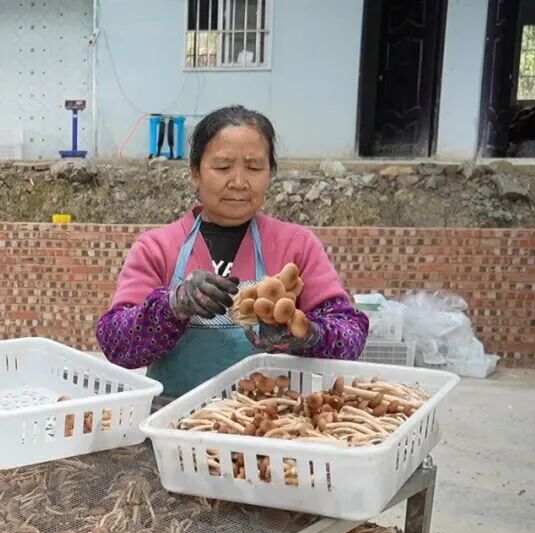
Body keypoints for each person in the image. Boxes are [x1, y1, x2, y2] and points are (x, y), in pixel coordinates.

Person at [96, 105, 368, 397]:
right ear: (195, 173)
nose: (239, 183)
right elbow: (116, 344)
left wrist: (307, 334)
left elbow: (349, 337)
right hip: (173, 418)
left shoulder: (297, 245)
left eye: (254, 168)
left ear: (270, 174)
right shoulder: (157, 248)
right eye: (223, 167)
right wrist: (174, 305)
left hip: (273, 418)